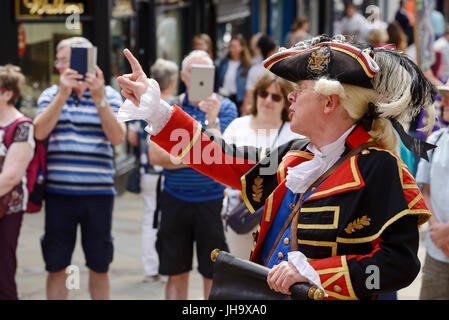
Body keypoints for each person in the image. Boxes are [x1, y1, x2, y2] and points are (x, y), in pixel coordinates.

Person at [116, 34, 436, 300]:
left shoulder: (379, 168)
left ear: (329, 102)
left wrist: (318, 274)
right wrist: (158, 112)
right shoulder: (298, 155)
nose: (290, 99)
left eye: (300, 90)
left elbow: (400, 264)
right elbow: (222, 157)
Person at [133, 50, 238, 300]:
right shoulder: (169, 107)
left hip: (213, 202)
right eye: (196, 72)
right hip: (175, 200)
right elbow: (155, 157)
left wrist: (212, 122)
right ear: (183, 76)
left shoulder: (225, 107)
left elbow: (223, 157)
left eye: (207, 72)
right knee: (175, 272)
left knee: (214, 274)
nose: (202, 78)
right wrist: (202, 155)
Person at [34, 37, 126, 300]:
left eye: (69, 61)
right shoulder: (51, 94)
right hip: (59, 194)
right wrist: (62, 95)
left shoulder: (108, 94)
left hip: (98, 195)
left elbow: (117, 138)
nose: (64, 66)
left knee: (99, 265)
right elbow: (39, 131)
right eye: (61, 61)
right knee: (56, 265)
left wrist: (98, 99)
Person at [222, 72, 304, 259]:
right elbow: (222, 164)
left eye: (276, 97)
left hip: (278, 218)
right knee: (241, 270)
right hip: (240, 214)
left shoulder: (295, 133)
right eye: (263, 93)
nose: (267, 100)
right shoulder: (237, 126)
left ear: (285, 102)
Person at [127, 58, 178, 282]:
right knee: (169, 220)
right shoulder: (175, 107)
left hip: (147, 171)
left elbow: (131, 138)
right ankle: (167, 268)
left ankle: (151, 267)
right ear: (173, 82)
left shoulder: (139, 105)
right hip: (167, 172)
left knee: (150, 216)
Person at [0, 64, 34, 300]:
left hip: (7, 209)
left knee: (2, 273)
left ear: (7, 93)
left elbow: (11, 177)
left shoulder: (21, 126)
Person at [416, 87, 449, 300]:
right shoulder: (435, 140)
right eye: (445, 98)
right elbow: (425, 191)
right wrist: (438, 231)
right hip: (438, 251)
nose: (444, 103)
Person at [240, 35, 278, 113]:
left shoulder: (254, 69)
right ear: (271, 52)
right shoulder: (279, 71)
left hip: (256, 109)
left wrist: (243, 112)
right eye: (276, 50)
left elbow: (248, 94)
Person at [217, 34, 252, 113]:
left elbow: (248, 88)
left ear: (242, 47)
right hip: (223, 97)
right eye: (231, 46)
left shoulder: (247, 66)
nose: (232, 49)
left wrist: (244, 106)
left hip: (238, 100)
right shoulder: (223, 63)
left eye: (235, 46)